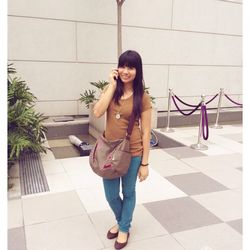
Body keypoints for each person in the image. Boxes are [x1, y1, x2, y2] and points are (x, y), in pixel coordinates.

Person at [93, 50, 152, 249]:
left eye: (131, 67)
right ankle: (122, 221)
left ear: (137, 70)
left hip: (132, 152)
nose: (126, 71)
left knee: (128, 192)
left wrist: (145, 163)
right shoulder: (112, 91)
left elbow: (145, 132)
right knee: (110, 195)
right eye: (123, 66)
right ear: (118, 68)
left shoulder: (142, 97)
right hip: (109, 151)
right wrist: (111, 85)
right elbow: (98, 111)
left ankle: (124, 228)